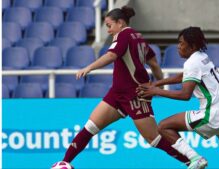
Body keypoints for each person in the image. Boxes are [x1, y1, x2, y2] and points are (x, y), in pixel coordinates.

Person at [51, 6, 191, 168]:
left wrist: (88, 67)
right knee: (90, 127)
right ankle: (65, 162)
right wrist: (159, 82)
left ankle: (190, 161)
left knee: (154, 139)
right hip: (117, 93)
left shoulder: (123, 35)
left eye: (109, 26)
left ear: (120, 22)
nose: (109, 30)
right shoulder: (138, 36)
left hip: (135, 94)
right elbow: (152, 62)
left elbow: (111, 55)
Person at [137, 27, 219, 169]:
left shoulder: (192, 63)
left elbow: (185, 95)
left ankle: (195, 158)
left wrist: (156, 91)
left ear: (192, 46)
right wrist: (158, 83)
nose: (178, 47)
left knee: (163, 126)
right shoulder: (202, 56)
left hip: (213, 114)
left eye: (181, 43)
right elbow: (184, 76)